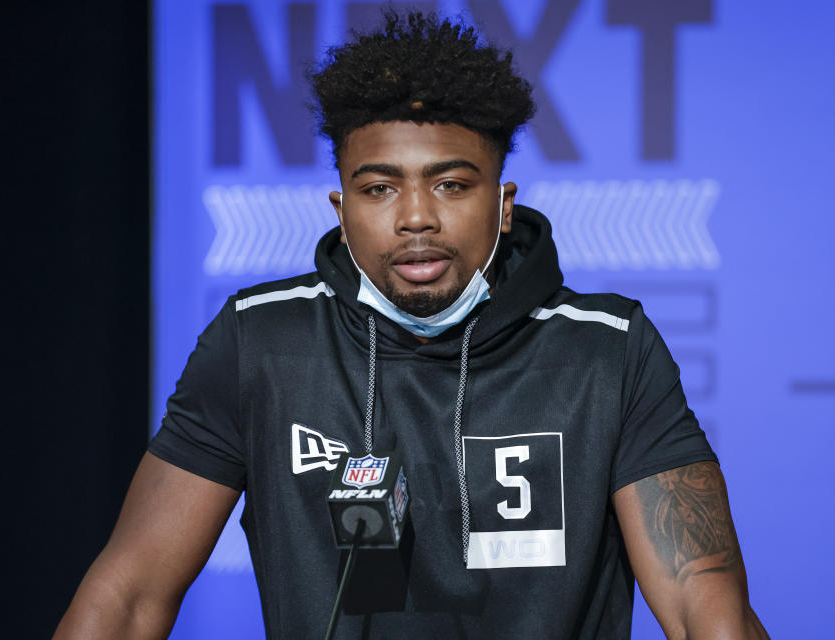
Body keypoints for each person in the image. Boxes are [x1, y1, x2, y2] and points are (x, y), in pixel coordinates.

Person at [55, 11, 768, 640]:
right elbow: (129, 595)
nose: (416, 217)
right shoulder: (260, 342)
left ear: (504, 204)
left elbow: (700, 604)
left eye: (452, 184)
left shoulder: (606, 350)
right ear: (341, 207)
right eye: (379, 188)